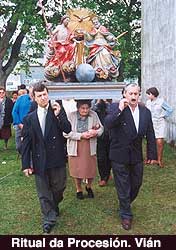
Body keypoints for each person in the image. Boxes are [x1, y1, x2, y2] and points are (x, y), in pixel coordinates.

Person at [105, 83, 157, 230]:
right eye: (131, 94)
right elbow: (108, 124)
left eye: (136, 94)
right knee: (123, 186)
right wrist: (120, 109)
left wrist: (152, 154)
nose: (133, 96)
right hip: (119, 155)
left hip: (136, 155)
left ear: (139, 95)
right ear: (125, 94)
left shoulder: (145, 111)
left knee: (136, 184)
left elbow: (150, 133)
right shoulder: (116, 108)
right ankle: (126, 215)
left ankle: (125, 203)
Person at [21, 81, 71, 234]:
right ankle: (48, 219)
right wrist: (25, 165)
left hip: (57, 159)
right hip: (39, 160)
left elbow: (67, 129)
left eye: (45, 94)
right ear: (34, 98)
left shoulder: (56, 110)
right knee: (43, 192)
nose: (43, 98)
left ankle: (53, 205)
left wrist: (59, 115)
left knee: (59, 187)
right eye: (39, 96)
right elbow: (26, 144)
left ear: (48, 94)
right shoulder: (29, 118)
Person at [64, 99, 104, 199]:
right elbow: (65, 133)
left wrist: (95, 132)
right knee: (76, 169)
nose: (85, 111)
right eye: (83, 108)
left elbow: (101, 129)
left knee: (90, 169)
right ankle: (79, 189)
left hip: (90, 146)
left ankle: (89, 186)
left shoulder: (93, 114)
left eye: (87, 108)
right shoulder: (71, 116)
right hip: (75, 146)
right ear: (78, 108)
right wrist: (81, 135)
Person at [145, 87, 173, 168]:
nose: (147, 96)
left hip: (159, 123)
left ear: (153, 94)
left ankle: (159, 160)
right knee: (150, 141)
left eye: (149, 94)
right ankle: (150, 159)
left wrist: (163, 115)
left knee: (159, 142)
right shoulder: (148, 102)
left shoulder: (161, 102)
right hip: (151, 123)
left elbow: (170, 110)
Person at [44, 15, 77, 81]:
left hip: (67, 45)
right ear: (63, 20)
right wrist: (49, 29)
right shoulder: (59, 27)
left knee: (72, 49)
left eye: (68, 20)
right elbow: (52, 34)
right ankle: (56, 66)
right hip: (59, 44)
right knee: (60, 53)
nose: (67, 22)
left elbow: (72, 37)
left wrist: (77, 41)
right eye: (66, 20)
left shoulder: (68, 29)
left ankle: (65, 68)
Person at [92, 99, 112, 186]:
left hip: (111, 135)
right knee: (101, 157)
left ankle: (108, 173)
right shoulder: (96, 106)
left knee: (111, 156)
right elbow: (91, 111)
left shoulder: (111, 106)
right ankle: (103, 177)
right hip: (100, 136)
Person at [12, 86, 33, 154]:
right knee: (19, 146)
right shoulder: (21, 99)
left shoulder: (37, 100)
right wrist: (19, 123)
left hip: (32, 126)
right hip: (20, 125)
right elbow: (14, 112)